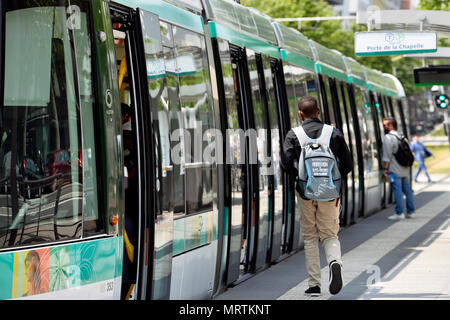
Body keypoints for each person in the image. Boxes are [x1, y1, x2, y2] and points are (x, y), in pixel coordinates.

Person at [281, 96, 353, 297]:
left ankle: (314, 285)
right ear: (319, 111)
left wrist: (303, 179)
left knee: (310, 236)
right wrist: (331, 182)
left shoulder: (293, 135)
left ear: (300, 114)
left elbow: (286, 165)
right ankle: (334, 262)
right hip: (330, 194)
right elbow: (347, 165)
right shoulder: (334, 133)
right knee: (329, 234)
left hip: (305, 193)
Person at [382, 117, 415, 220]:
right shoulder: (402, 136)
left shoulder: (388, 138)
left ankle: (399, 213)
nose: (384, 127)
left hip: (394, 169)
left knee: (397, 190)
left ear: (391, 125)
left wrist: (385, 170)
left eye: (385, 125)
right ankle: (411, 211)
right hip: (404, 168)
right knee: (407, 190)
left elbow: (387, 156)